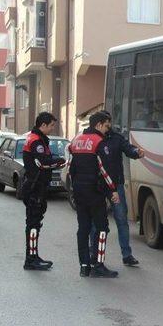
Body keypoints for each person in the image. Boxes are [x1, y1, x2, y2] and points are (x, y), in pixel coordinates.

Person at [88, 110, 144, 267]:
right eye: (107, 123)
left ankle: (127, 255)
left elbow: (128, 149)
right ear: (100, 123)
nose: (109, 126)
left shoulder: (116, 138)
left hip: (116, 185)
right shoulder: (91, 139)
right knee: (95, 221)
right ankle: (93, 253)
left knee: (121, 219)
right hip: (97, 185)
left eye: (110, 122)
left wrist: (136, 152)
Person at [69, 112, 120, 278]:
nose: (107, 130)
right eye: (106, 126)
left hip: (79, 192)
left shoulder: (76, 141)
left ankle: (84, 266)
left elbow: (71, 169)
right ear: (98, 125)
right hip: (95, 192)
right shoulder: (99, 142)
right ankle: (98, 264)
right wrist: (112, 190)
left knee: (83, 229)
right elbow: (104, 171)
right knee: (102, 228)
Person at [21, 112, 66, 271]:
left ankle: (34, 255)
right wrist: (59, 161)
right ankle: (31, 259)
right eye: (52, 125)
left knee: (35, 223)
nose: (53, 128)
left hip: (37, 186)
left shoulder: (38, 139)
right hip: (35, 187)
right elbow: (42, 162)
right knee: (33, 224)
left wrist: (54, 163)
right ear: (43, 125)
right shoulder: (35, 140)